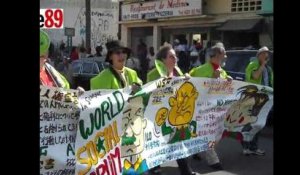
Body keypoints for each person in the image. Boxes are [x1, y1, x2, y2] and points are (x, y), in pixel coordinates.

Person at [147, 45, 196, 175]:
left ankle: (186, 171)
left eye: (175, 56)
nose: (175, 59)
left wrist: (187, 78)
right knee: (158, 142)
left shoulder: (178, 72)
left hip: (176, 114)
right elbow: (149, 96)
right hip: (158, 115)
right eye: (171, 56)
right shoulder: (153, 74)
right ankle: (154, 167)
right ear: (163, 60)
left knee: (178, 142)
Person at [189, 43, 232, 171]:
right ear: (218, 55)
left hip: (216, 110)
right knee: (208, 133)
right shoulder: (199, 70)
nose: (226, 56)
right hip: (202, 109)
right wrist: (212, 79)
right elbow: (194, 88)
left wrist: (228, 82)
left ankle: (195, 151)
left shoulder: (222, 71)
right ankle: (213, 160)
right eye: (224, 54)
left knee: (211, 133)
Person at [243, 46, 273, 156]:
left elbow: (269, 83)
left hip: (265, 99)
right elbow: (255, 76)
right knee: (252, 123)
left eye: (267, 54)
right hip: (253, 98)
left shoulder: (268, 69)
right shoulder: (253, 65)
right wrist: (262, 65)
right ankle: (247, 146)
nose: (266, 56)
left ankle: (252, 147)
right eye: (264, 53)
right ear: (259, 55)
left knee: (259, 123)